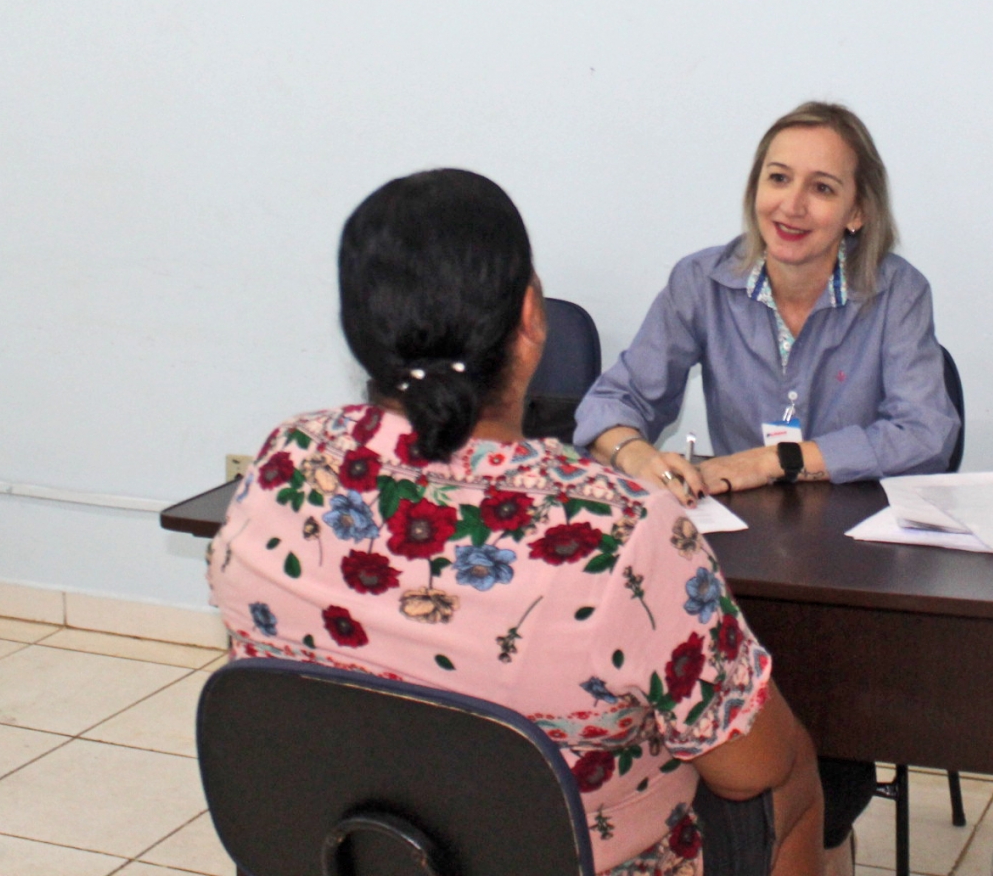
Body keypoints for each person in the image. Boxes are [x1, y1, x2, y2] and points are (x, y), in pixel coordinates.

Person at [210, 169, 823, 876]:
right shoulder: (619, 530)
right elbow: (751, 767)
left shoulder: (282, 465)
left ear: (360, 330)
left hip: (341, 853)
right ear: (532, 317)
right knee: (794, 775)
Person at [573, 101, 961, 872]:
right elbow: (610, 403)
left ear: (857, 212)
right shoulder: (702, 280)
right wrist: (634, 451)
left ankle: (822, 835)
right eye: (778, 178)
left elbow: (927, 432)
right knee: (694, 731)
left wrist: (776, 460)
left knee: (828, 761)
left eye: (822, 187)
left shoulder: (898, 292)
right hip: (738, 568)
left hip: (853, 573)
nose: (793, 204)